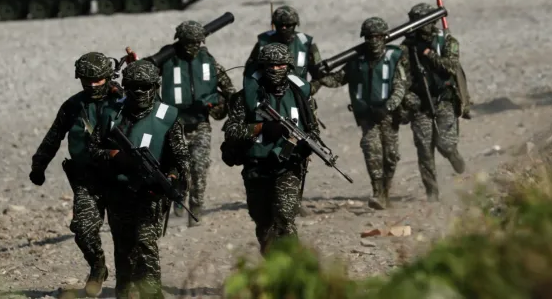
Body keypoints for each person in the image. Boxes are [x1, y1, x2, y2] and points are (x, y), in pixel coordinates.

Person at [88, 60, 190, 299]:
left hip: (150, 194)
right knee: (123, 249)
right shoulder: (111, 113)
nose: (140, 92)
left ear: (155, 86)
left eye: (146, 86)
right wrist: (114, 156)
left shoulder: (167, 116)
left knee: (146, 245)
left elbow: (180, 158)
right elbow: (92, 150)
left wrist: (172, 178)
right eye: (134, 86)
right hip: (118, 193)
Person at [29, 52, 122, 297]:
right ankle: (98, 267)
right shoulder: (73, 106)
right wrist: (39, 165)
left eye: (97, 80)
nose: (92, 85)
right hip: (87, 179)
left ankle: (130, 281)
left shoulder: (123, 101)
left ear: (108, 77)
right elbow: (53, 137)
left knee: (125, 233)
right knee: (83, 229)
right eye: (86, 80)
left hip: (121, 179)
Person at [222, 43, 318, 254]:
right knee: (264, 223)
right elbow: (231, 131)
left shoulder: (301, 96)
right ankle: (272, 266)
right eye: (270, 66)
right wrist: (261, 128)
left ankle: (293, 267)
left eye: (280, 65)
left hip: (288, 167)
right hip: (257, 167)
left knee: (285, 219)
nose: (275, 70)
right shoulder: (245, 98)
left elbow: (313, 129)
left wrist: (305, 147)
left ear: (289, 67)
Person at [145, 20, 236, 226]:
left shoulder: (208, 61)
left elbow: (229, 89)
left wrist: (226, 106)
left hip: (200, 122)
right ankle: (179, 196)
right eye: (188, 42)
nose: (192, 47)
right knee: (177, 166)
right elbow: (147, 79)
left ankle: (196, 208)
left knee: (199, 166)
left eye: (196, 42)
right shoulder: (167, 60)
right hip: (173, 124)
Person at [312, 17, 408, 210]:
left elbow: (400, 87)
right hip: (367, 115)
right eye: (369, 37)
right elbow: (338, 80)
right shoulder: (356, 61)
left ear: (384, 37)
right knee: (371, 149)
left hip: (388, 114)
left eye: (377, 36)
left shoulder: (393, 58)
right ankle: (377, 193)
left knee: (390, 155)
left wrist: (387, 107)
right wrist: (320, 76)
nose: (373, 41)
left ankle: (386, 190)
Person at [399, 3, 468, 202]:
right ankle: (432, 191)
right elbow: (401, 78)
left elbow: (451, 67)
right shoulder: (406, 48)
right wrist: (408, 98)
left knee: (445, 144)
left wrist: (429, 54)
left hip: (444, 100)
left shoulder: (446, 41)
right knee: (424, 148)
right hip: (420, 104)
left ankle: (453, 155)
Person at [243, 5, 323, 89]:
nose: (284, 28)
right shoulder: (263, 43)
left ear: (295, 25)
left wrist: (309, 89)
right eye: (280, 25)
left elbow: (319, 74)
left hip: (298, 92)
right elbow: (249, 72)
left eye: (288, 25)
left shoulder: (306, 44)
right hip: (268, 93)